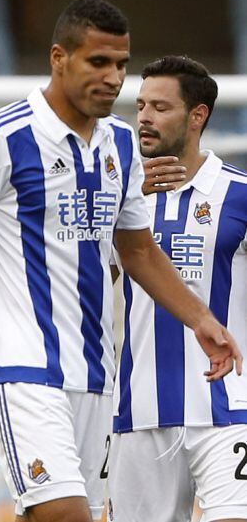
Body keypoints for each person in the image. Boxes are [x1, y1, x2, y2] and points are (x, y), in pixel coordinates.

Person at [0, 0, 243, 522]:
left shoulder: (121, 146)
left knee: (60, 512)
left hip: (95, 374)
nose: (113, 78)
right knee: (67, 514)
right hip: (21, 367)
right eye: (98, 62)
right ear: (59, 57)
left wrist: (202, 320)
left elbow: (137, 249)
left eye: (121, 65)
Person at [108, 55, 247, 522]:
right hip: (138, 411)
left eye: (160, 107)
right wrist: (121, 199)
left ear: (197, 116)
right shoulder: (116, 199)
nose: (144, 117)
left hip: (229, 408)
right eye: (141, 105)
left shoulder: (239, 195)